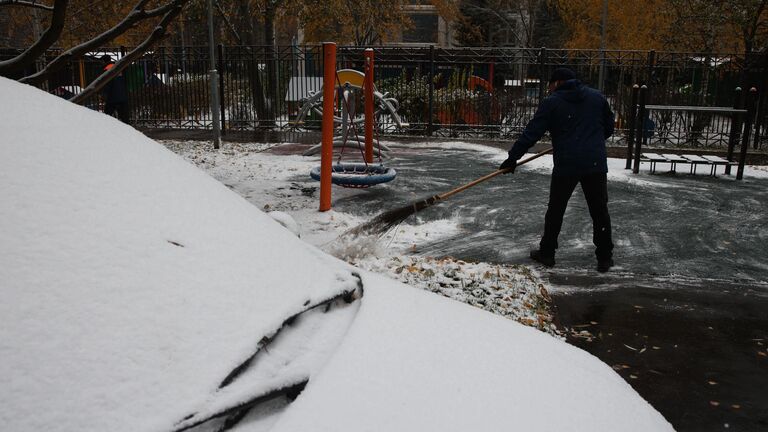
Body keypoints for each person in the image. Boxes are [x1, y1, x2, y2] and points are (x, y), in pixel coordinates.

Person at [499, 67, 615, 272]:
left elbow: (531, 133)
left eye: (551, 85)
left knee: (556, 209)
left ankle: (547, 253)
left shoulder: (552, 102)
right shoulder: (596, 97)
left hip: (567, 163)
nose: (550, 89)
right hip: (594, 162)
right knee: (599, 210)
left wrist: (512, 158)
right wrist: (590, 142)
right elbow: (609, 127)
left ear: (558, 83)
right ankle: (605, 257)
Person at [100, 55, 130, 124]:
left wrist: (104, 94)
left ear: (103, 61)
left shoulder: (106, 70)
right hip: (122, 96)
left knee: (106, 116)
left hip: (112, 97)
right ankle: (128, 131)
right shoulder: (118, 68)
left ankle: (107, 129)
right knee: (124, 118)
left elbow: (107, 84)